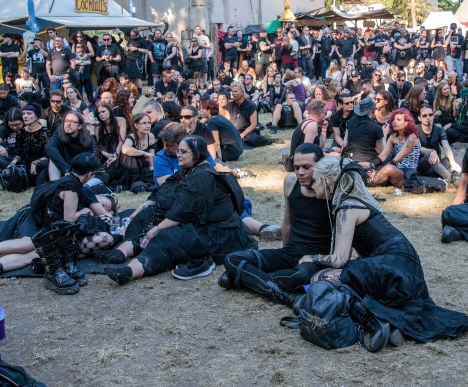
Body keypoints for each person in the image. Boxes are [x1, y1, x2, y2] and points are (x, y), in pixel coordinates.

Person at [300, 157, 468, 348]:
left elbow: (339, 260)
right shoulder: (352, 202)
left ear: (326, 181)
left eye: (316, 180)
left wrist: (310, 258)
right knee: (347, 278)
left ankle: (374, 321)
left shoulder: (347, 206)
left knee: (322, 278)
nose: (312, 185)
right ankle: (389, 322)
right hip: (404, 264)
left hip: (392, 264)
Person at [104, 136, 257, 284]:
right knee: (145, 216)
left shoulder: (202, 174)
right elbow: (161, 191)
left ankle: (130, 271)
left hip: (214, 231)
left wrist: (156, 228)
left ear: (197, 153)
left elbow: (183, 211)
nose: (179, 155)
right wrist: (141, 208)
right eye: (179, 151)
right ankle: (121, 252)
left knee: (167, 237)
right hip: (193, 222)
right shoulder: (187, 170)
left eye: (183, 152)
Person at [220, 143, 333, 303]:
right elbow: (287, 222)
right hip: (290, 252)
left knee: (300, 275)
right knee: (232, 259)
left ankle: (244, 279)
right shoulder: (291, 182)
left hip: (316, 258)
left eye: (307, 167)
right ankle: (279, 292)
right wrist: (285, 253)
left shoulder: (332, 190)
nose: (300, 172)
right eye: (296, 167)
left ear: (321, 166)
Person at [343, 97, 403, 187]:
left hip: (350, 164)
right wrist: (384, 134)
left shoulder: (351, 121)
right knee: (395, 169)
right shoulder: (375, 128)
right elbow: (382, 152)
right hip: (368, 167)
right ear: (372, 110)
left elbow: (344, 144)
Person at [107, 112, 156, 192]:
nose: (147, 126)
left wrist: (151, 167)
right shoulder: (131, 137)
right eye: (144, 123)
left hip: (143, 166)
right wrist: (144, 153)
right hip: (129, 168)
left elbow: (151, 156)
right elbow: (125, 149)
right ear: (136, 125)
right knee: (129, 155)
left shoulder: (151, 136)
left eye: (149, 123)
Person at [45, 110, 95, 181]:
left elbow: (89, 160)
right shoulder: (59, 133)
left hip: (79, 170)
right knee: (52, 157)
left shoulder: (87, 139)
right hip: (63, 167)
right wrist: (66, 169)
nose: (68, 124)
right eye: (66, 121)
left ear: (80, 126)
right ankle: (55, 184)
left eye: (72, 122)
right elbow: (49, 148)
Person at [417, 104, 461, 183]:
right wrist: (431, 151)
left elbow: (447, 148)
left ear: (434, 116)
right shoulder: (415, 129)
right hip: (421, 167)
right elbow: (417, 148)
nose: (428, 117)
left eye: (430, 115)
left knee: (458, 153)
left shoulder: (439, 130)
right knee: (428, 156)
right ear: (419, 118)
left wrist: (452, 162)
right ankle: (450, 179)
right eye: (424, 115)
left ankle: (456, 176)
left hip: (437, 167)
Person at [288, 99, 328, 166]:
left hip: (299, 160)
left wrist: (324, 130)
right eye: (325, 113)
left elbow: (319, 147)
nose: (325, 116)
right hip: (302, 162)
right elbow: (307, 150)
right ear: (320, 113)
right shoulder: (312, 125)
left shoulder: (307, 122)